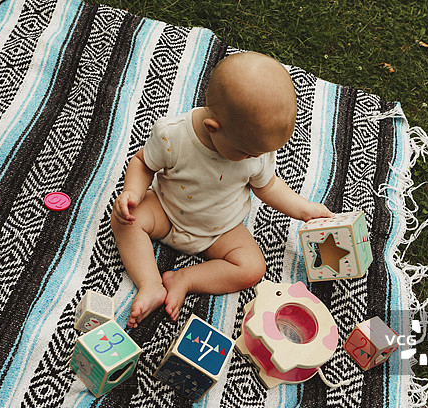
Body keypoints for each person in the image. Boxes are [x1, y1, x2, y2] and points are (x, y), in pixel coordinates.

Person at [111, 51, 333, 328]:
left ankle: (185, 278)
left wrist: (305, 209)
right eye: (246, 153)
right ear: (212, 128)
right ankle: (151, 284)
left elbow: (269, 187)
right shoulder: (173, 135)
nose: (255, 158)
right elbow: (143, 163)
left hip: (221, 230)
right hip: (166, 211)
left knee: (253, 268)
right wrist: (132, 193)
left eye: (259, 153)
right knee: (124, 221)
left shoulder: (254, 150)